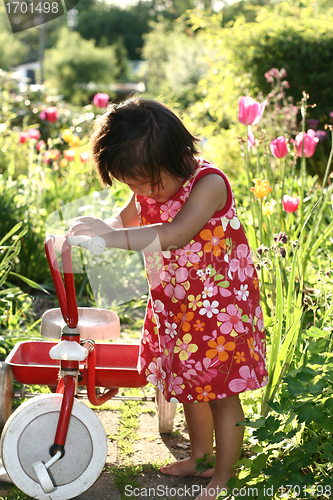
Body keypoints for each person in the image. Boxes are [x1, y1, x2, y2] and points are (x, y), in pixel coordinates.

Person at [68, 97, 268, 500]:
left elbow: (176, 233)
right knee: (190, 385)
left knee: (221, 394)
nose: (144, 192)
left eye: (150, 182)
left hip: (219, 310)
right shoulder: (147, 189)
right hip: (176, 306)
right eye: (133, 184)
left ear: (178, 155)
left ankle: (224, 477)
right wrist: (92, 233)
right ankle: (199, 457)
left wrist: (109, 240)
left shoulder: (208, 183)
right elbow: (121, 224)